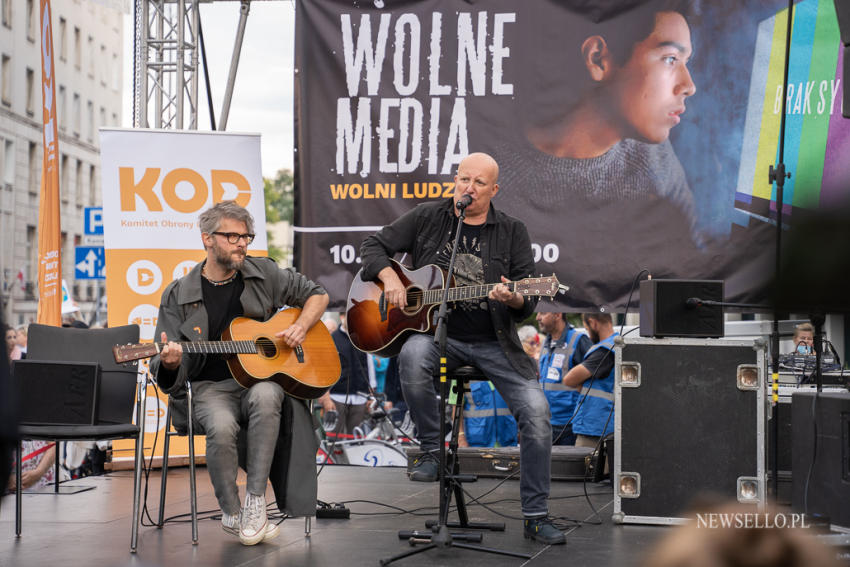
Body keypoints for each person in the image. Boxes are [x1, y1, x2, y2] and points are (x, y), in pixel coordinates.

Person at [360, 152, 564, 545]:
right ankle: (433, 450)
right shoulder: (428, 217)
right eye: (463, 179)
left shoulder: (511, 231)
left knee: (537, 414)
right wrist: (390, 277)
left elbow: (529, 303)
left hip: (494, 343)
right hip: (439, 338)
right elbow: (372, 246)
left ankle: (536, 516)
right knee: (412, 354)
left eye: (478, 183)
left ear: (494, 190)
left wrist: (515, 298)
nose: (468, 188)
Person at [150, 200, 329, 546]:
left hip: (257, 382)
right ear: (207, 239)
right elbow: (168, 361)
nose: (242, 244)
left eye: (246, 236)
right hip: (207, 388)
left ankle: (255, 501)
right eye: (232, 236)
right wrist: (171, 362)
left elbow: (317, 295)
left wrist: (302, 327)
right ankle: (231, 511)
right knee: (220, 425)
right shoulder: (178, 294)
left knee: (268, 394)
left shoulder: (263, 274)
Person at [562, 312, 619, 448]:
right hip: (604, 425)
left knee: (586, 469)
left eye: (587, 329)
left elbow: (568, 380)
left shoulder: (604, 351)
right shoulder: (618, 344)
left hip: (595, 427)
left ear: (593, 323)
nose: (588, 334)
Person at [536, 311, 592, 446]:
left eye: (543, 313)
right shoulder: (545, 343)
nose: (538, 317)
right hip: (547, 423)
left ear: (558, 314)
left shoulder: (578, 340)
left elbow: (593, 380)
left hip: (569, 425)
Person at [318, 313, 372, 435]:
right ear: (342, 317)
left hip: (360, 398)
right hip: (337, 397)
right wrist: (325, 396)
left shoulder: (363, 338)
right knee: (334, 438)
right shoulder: (332, 339)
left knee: (356, 438)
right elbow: (323, 369)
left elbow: (368, 367)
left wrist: (370, 394)